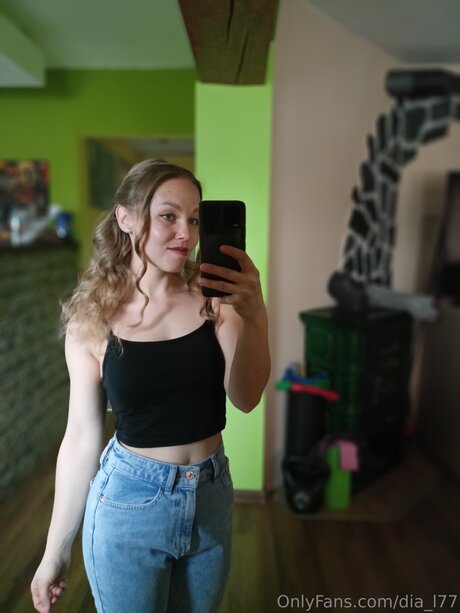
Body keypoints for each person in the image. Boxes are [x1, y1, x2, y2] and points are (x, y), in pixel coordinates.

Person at [30, 159, 270, 613]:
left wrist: (256, 316)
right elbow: (81, 437)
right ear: (125, 218)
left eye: (194, 219)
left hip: (211, 495)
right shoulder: (93, 319)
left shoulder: (215, 301)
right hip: (129, 503)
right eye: (168, 216)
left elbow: (246, 397)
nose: (186, 233)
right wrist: (54, 551)